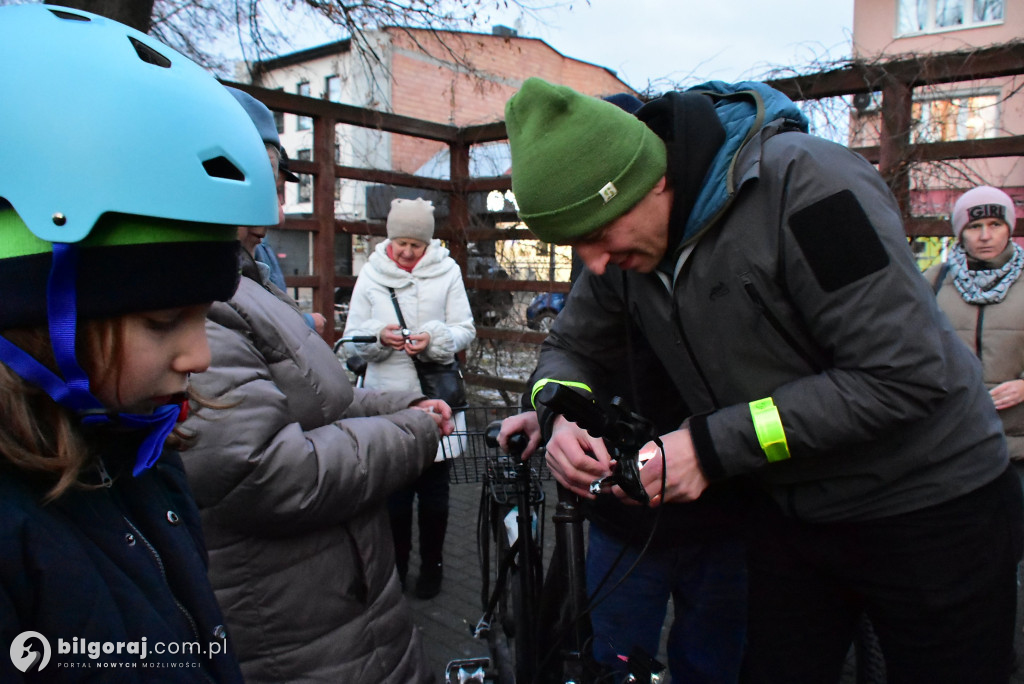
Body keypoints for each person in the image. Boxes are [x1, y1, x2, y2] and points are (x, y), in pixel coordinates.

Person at [504, 77, 1024, 683]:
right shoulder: (622, 244)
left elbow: (901, 376)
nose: (593, 264)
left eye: (598, 236)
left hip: (930, 507)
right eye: (576, 246)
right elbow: (569, 345)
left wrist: (708, 447)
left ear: (654, 177)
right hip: (791, 515)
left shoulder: (809, 186)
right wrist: (561, 410)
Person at [0, 4, 280, 680]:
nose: (200, 357)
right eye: (161, 321)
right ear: (28, 313)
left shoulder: (137, 451)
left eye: (204, 315)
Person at [179, 97, 452, 681]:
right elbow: (266, 473)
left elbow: (322, 400)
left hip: (337, 593)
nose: (273, 208)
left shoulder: (244, 279)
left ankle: (424, 568)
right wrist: (411, 426)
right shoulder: (205, 295)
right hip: (291, 616)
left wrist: (407, 396)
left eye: (276, 186)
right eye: (263, 183)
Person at [342, 197, 476, 598]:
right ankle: (396, 568)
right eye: (400, 242)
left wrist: (435, 338)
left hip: (436, 397)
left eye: (415, 245)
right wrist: (378, 335)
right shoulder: (371, 275)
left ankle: (432, 567)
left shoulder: (448, 272)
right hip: (386, 397)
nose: (406, 251)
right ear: (390, 239)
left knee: (435, 489)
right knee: (394, 493)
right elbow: (352, 338)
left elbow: (465, 328)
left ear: (427, 244)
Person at [225, 87, 326, 336]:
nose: (278, 215)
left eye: (277, 191)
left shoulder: (258, 251)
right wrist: (308, 324)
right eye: (257, 189)